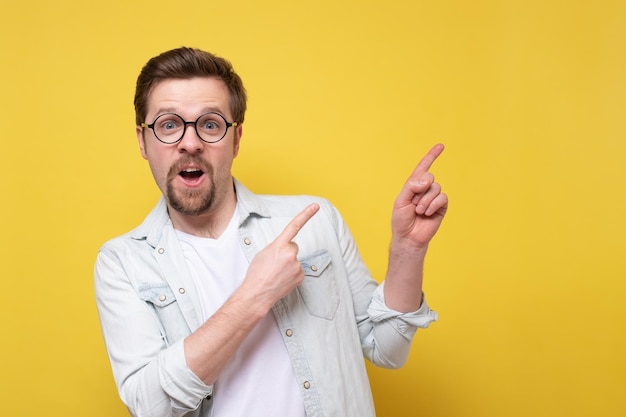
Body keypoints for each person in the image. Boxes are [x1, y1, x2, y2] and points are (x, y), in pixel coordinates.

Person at [95, 46, 448, 417]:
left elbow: (386, 348)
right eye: (169, 125)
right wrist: (254, 295)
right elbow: (152, 406)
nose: (190, 142)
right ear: (142, 141)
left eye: (210, 124)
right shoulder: (123, 263)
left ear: (236, 139)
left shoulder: (314, 220)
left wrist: (408, 250)